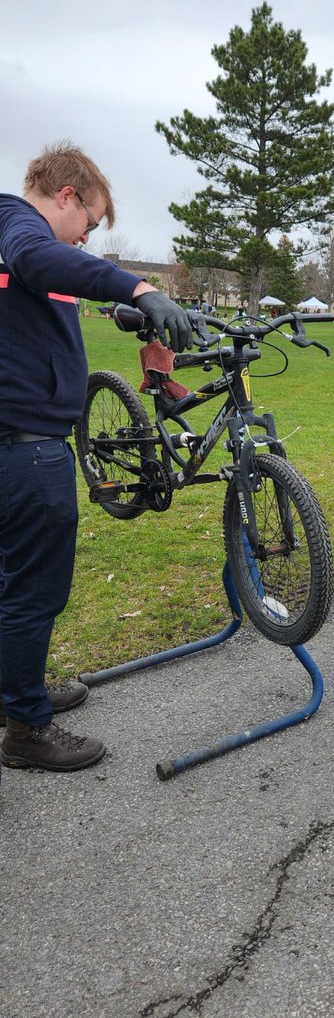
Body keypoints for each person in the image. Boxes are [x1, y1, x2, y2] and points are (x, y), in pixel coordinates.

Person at [0, 141, 193, 772]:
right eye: (88, 224)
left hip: (25, 442)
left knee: (16, 585)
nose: (84, 242)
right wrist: (139, 287)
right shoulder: (19, 230)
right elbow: (41, 257)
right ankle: (27, 728)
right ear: (66, 196)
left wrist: (114, 304)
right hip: (26, 450)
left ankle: (17, 690)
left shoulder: (21, 244)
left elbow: (44, 282)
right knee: (35, 589)